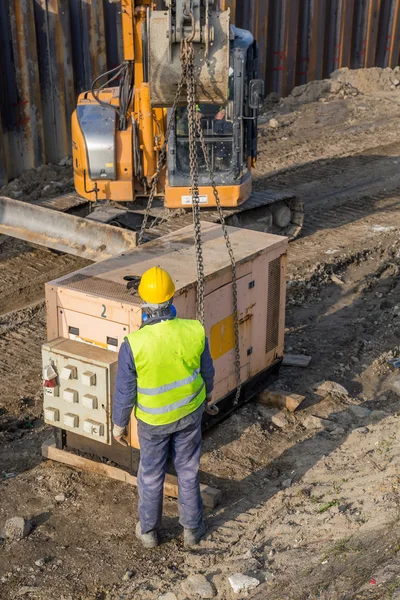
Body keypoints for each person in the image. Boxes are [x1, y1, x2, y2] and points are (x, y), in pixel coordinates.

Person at [112, 266, 215, 549]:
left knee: (151, 474)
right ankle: (192, 530)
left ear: (143, 303)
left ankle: (148, 532)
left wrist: (118, 425)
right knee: (188, 470)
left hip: (153, 423)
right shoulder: (194, 330)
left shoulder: (134, 344)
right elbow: (207, 372)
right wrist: (206, 399)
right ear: (172, 298)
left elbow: (125, 391)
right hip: (189, 415)